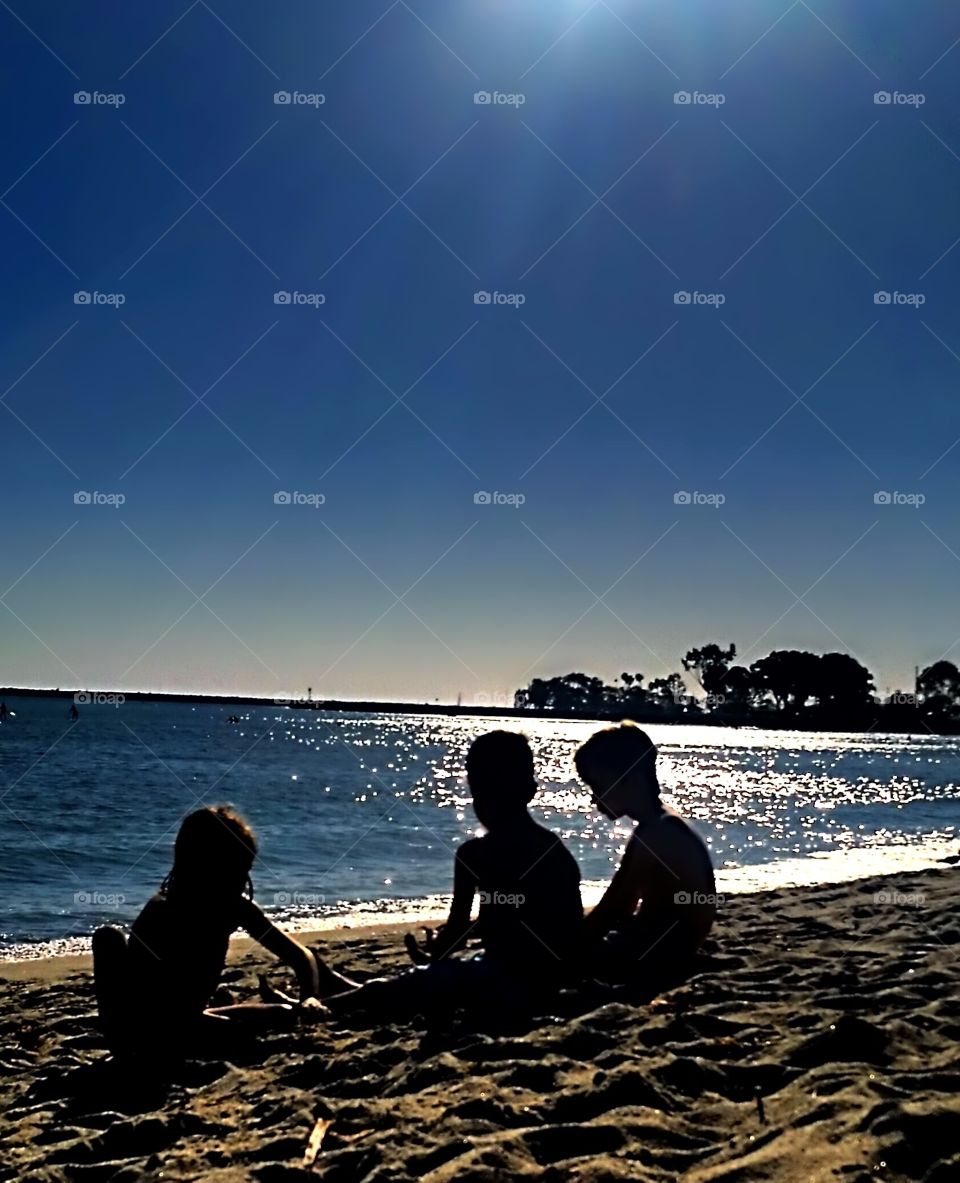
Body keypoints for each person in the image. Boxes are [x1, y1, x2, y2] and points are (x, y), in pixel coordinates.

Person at [308, 731, 583, 1016]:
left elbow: (457, 932)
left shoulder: (475, 854)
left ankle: (310, 1009)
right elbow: (533, 919)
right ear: (530, 790)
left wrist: (435, 957)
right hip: (550, 977)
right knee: (418, 982)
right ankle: (344, 990)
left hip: (505, 981)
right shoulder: (553, 848)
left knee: (391, 989)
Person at [92, 806, 322, 1061]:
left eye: (247, 869)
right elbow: (153, 1000)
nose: (244, 879)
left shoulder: (236, 907)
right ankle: (127, 1049)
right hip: (150, 1028)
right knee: (108, 937)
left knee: (283, 1014)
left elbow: (301, 956)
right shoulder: (162, 912)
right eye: (236, 870)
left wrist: (309, 997)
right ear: (203, 866)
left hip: (191, 1019)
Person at [574, 722, 716, 991]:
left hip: (661, 953)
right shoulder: (663, 822)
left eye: (598, 787)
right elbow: (625, 904)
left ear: (630, 780)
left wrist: (571, 942)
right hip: (673, 944)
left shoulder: (655, 834)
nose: (594, 799)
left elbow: (615, 906)